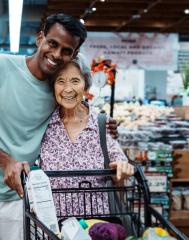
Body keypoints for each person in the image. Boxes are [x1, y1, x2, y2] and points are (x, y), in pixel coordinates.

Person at [0, 13, 118, 240]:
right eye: (52, 43)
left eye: (66, 50)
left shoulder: (58, 89)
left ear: (74, 54)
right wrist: (6, 161)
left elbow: (78, 108)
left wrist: (106, 125)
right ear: (40, 38)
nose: (57, 54)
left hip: (22, 195)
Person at [39, 56, 134, 217]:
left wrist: (123, 168)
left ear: (85, 86)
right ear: (53, 87)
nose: (68, 89)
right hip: (54, 229)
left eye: (75, 81)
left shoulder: (101, 124)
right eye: (61, 81)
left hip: (96, 228)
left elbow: (120, 163)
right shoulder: (43, 125)